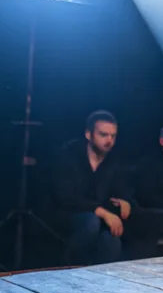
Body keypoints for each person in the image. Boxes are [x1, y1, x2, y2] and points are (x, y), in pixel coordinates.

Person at [49, 111, 141, 264]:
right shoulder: (69, 156)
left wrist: (125, 201)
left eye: (113, 136)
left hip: (98, 216)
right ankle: (68, 265)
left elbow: (121, 188)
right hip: (67, 212)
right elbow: (64, 196)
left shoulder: (113, 159)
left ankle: (100, 276)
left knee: (112, 239)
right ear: (88, 134)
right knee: (91, 222)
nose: (109, 141)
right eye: (103, 135)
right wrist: (100, 211)